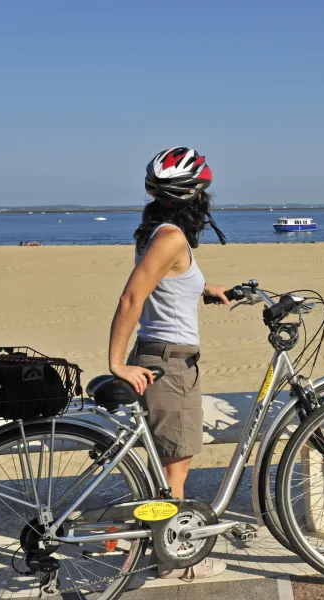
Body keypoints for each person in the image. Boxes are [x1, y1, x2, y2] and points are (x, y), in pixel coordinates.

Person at [108, 147, 230, 580]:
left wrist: (203, 288)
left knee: (168, 465)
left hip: (163, 355)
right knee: (174, 473)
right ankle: (173, 561)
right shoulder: (170, 237)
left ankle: (158, 547)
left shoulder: (157, 232)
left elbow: (163, 285)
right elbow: (131, 298)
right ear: (194, 194)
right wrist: (116, 362)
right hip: (169, 365)